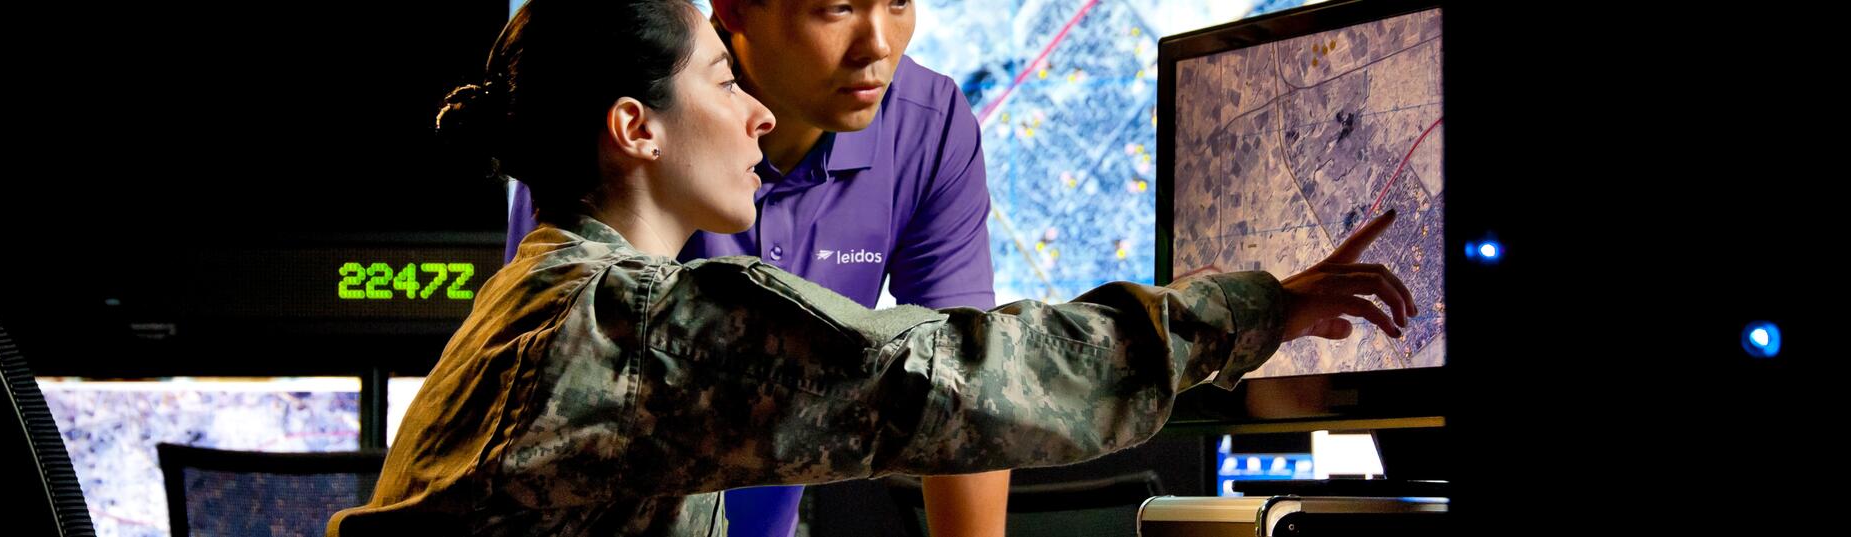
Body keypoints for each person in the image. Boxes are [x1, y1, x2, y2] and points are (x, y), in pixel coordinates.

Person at [330, 1, 1416, 535]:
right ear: (636, 129)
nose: (758, 115)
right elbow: (963, 378)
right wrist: (1252, 312)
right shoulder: (642, 325)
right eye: (723, 81)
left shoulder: (534, 293)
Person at [505, 1, 1001, 531]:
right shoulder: (615, 108)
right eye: (837, 8)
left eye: (898, 1)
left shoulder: (928, 123)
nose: (879, 46)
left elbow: (964, 382)